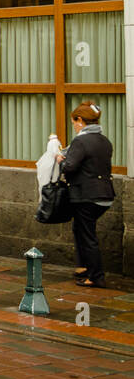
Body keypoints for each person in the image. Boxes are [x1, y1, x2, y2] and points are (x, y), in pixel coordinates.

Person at [57, 101, 115, 288]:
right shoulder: (104, 140)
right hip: (104, 195)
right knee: (80, 229)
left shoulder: (81, 141)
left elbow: (70, 167)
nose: (73, 125)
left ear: (80, 120)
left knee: (87, 235)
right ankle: (82, 267)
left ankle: (95, 277)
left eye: (74, 121)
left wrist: (60, 161)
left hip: (87, 196)